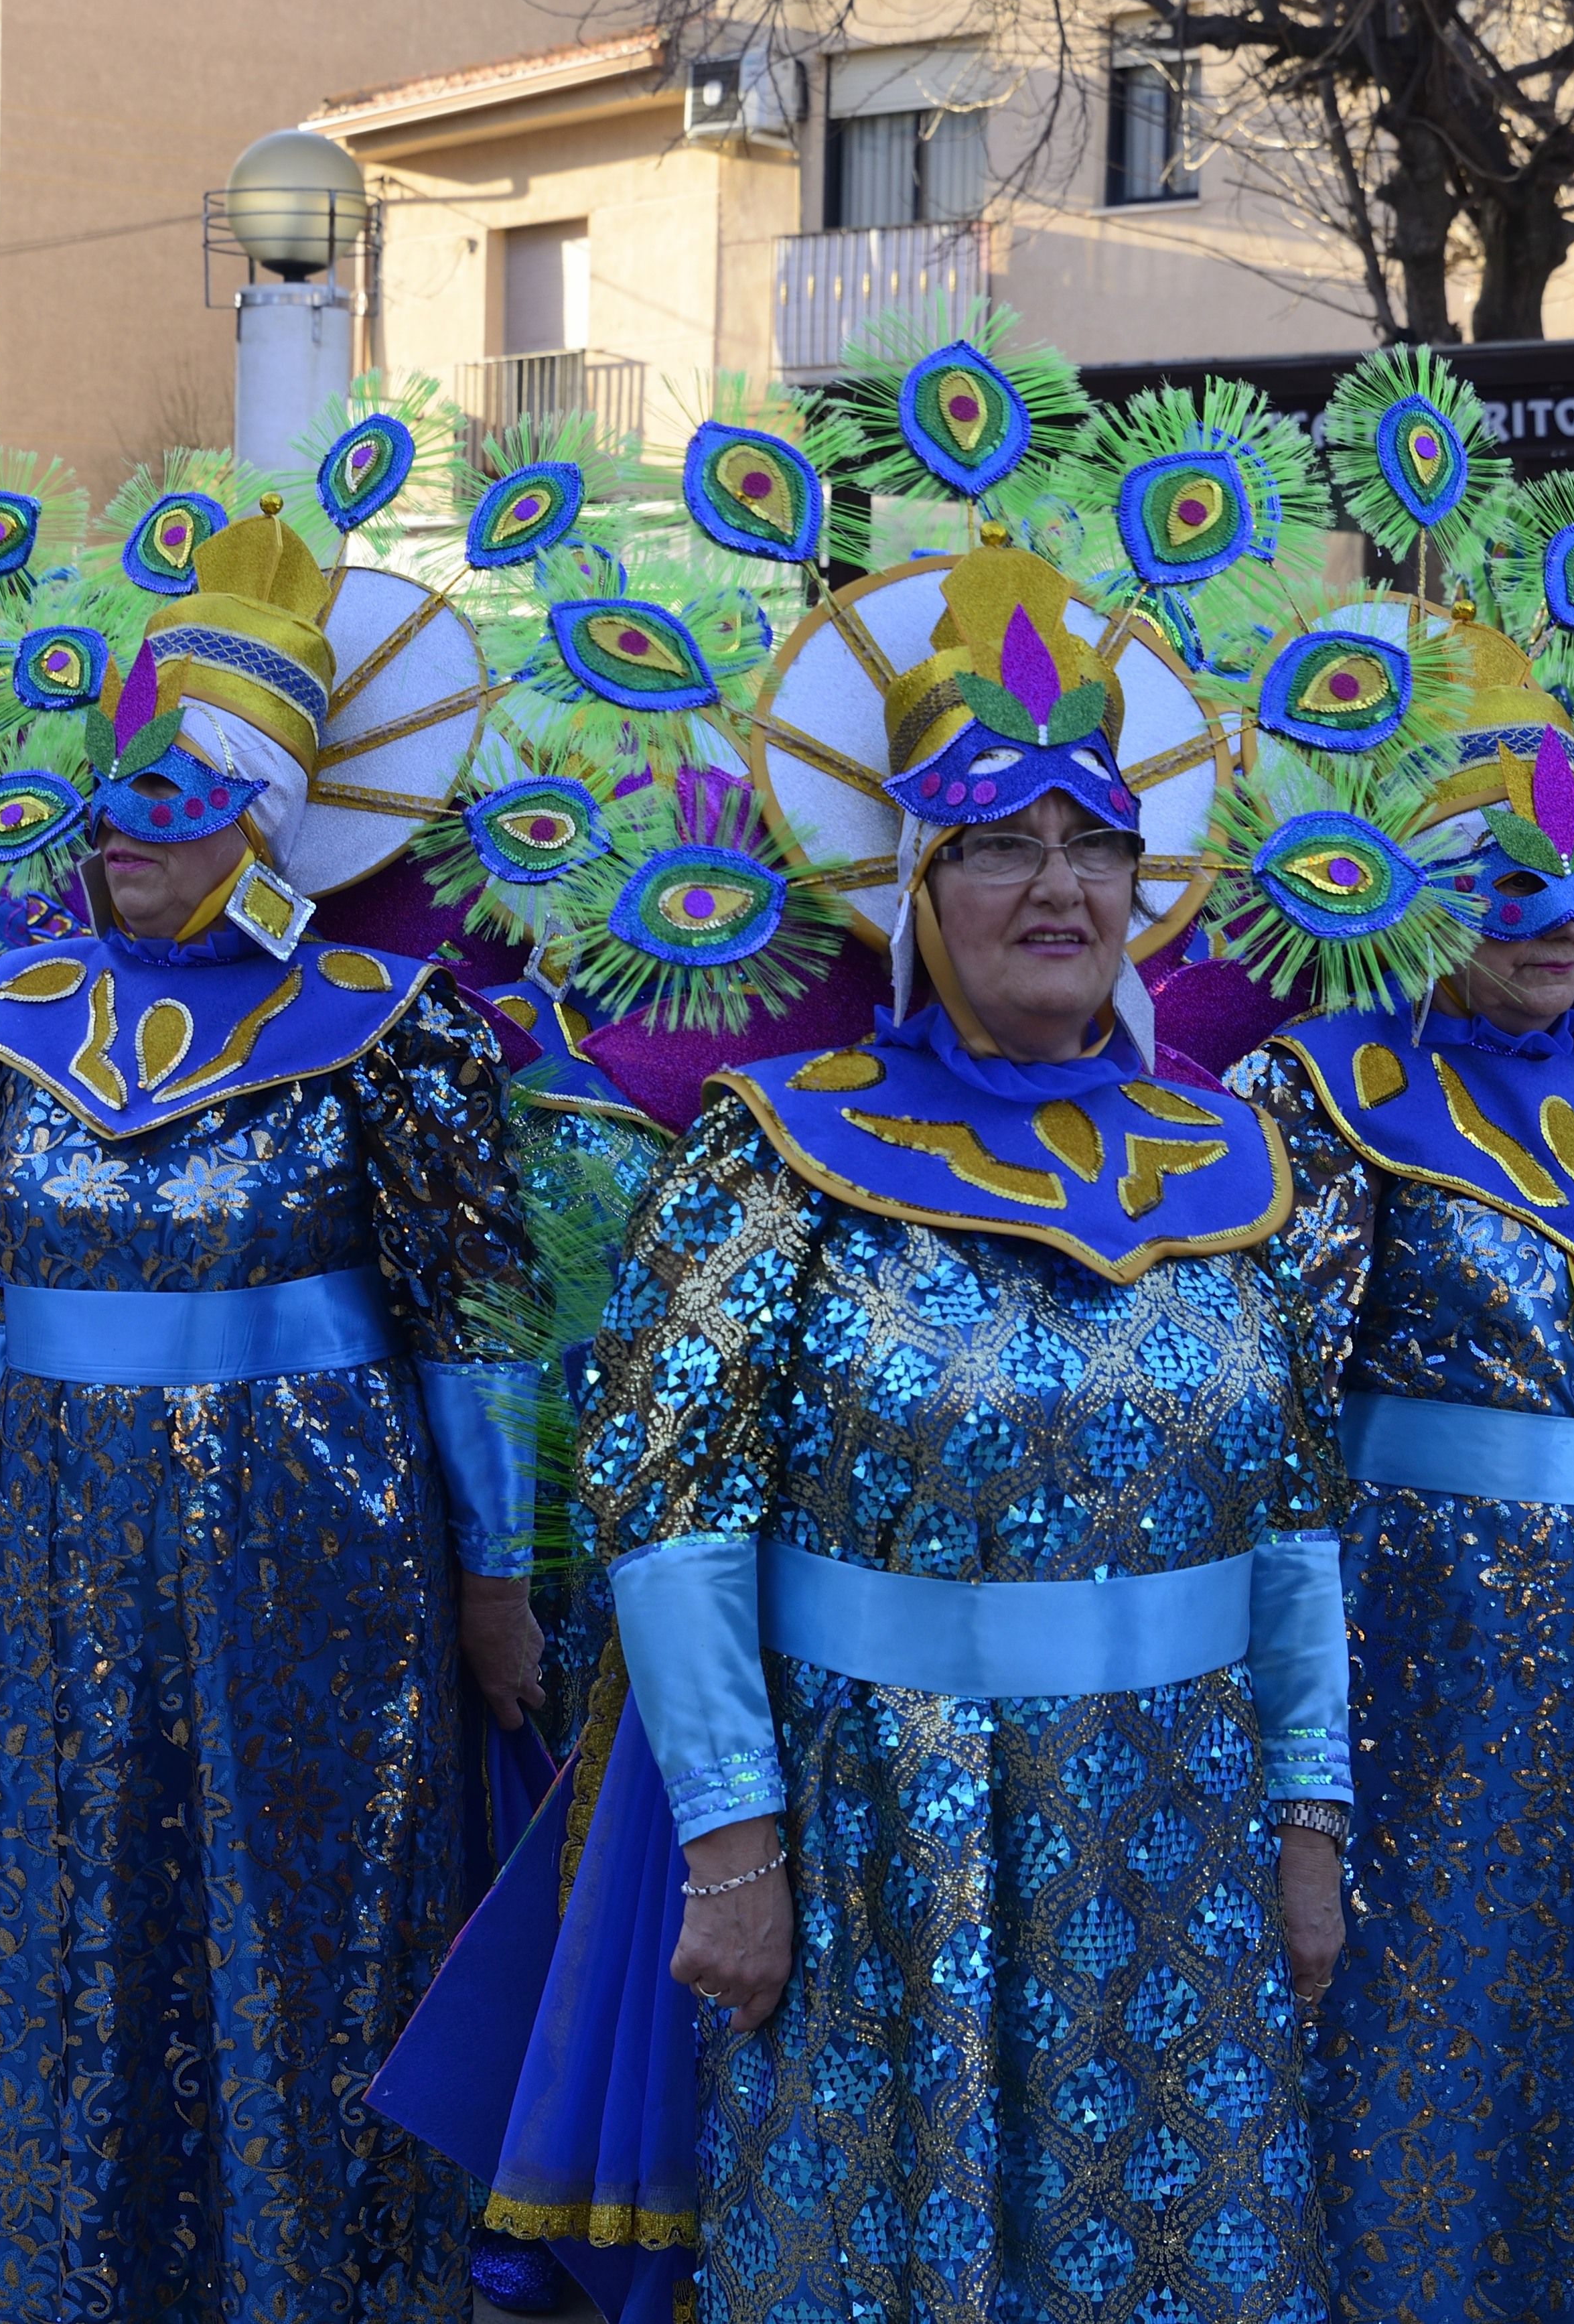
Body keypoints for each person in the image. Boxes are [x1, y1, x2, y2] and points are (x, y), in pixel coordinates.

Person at [582, 518, 1347, 2315]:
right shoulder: (775, 1154)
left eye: (1096, 844)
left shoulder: (1238, 1158)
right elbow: (673, 1517)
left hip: (1189, 1835)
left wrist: (1310, 1824)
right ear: (916, 888)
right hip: (883, 1849)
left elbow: (1299, 1525)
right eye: (1001, 844)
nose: (1059, 886)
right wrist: (733, 1846)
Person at [0, 498, 534, 2319]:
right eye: (116, 793)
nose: (126, 829)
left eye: (179, 793)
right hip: (65, 1578)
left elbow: (476, 1325)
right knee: (83, 1912)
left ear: (267, 812)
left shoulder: (395, 1026)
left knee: (300, 1925)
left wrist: (497, 1575)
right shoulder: (15, 1011)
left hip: (315, 1580)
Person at [1234, 608, 1574, 2317]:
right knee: (1408, 1986)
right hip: (1417, 1640)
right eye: (1509, 880)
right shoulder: (1327, 1089)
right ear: (1415, 889)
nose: (1558, 920)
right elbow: (1283, 1432)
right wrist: (1291, 1719)